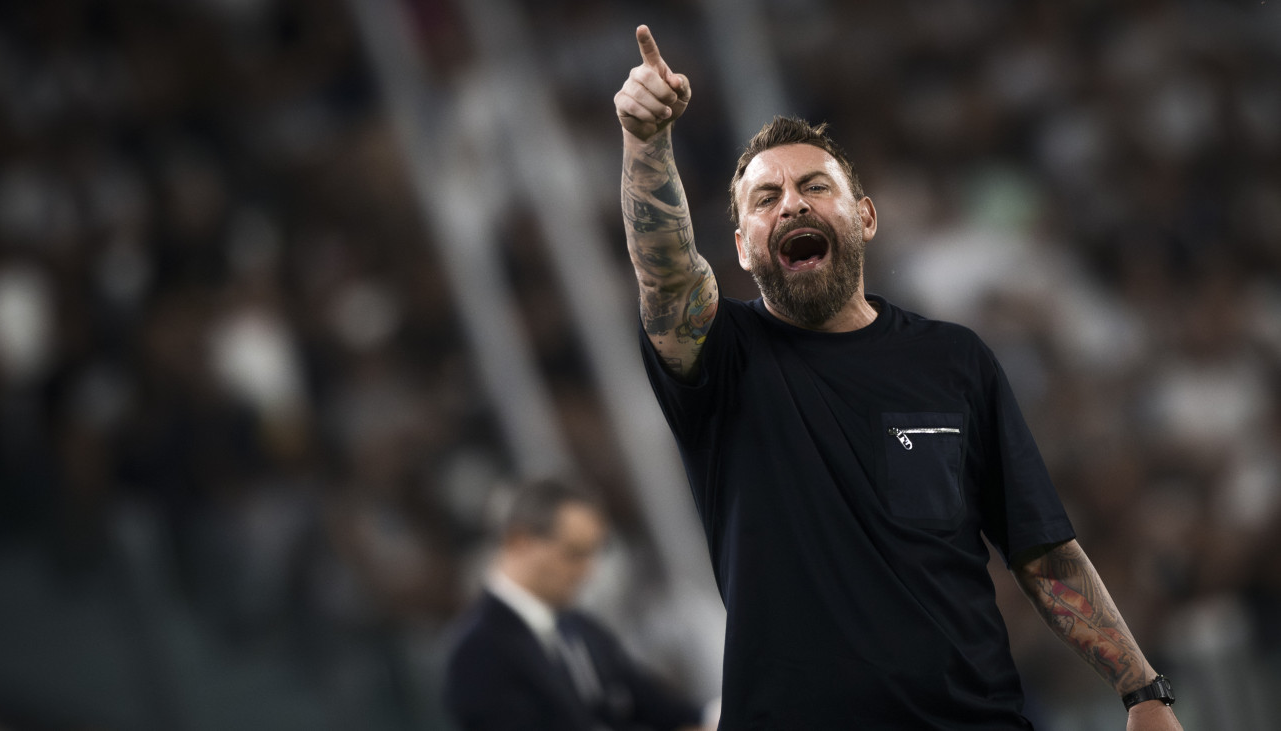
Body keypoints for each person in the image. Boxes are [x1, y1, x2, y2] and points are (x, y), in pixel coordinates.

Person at [614, 24, 1183, 731]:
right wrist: (646, 139)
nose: (790, 202)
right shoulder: (722, 358)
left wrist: (1143, 689)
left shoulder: (954, 359)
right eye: (764, 199)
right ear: (740, 247)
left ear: (866, 216)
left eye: (814, 185)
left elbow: (1043, 551)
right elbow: (666, 272)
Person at [442, 476, 714, 731]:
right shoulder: (477, 651)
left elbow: (662, 709)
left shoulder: (580, 628)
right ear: (519, 542)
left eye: (593, 554)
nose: (588, 571)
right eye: (574, 554)